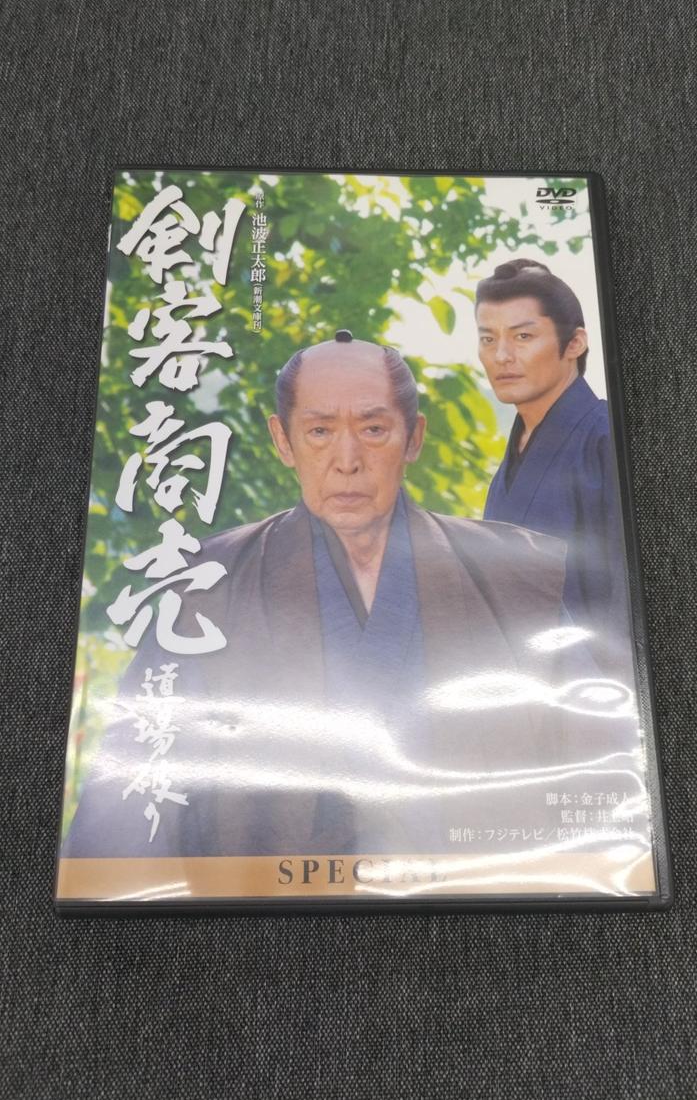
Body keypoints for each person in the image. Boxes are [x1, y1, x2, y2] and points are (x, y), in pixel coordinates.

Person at [64, 335, 642, 863]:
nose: (347, 461)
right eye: (319, 432)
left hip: (467, 896)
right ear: (284, 441)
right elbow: (134, 793)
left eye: (373, 429)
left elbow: (604, 773)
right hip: (268, 907)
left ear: (413, 437)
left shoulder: (516, 577)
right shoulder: (207, 583)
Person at [475, 258, 629, 671]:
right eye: (488, 339)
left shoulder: (608, 438)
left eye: (523, 336)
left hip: (598, 685)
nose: (501, 356)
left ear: (575, 343)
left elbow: (635, 592)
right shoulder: (507, 470)